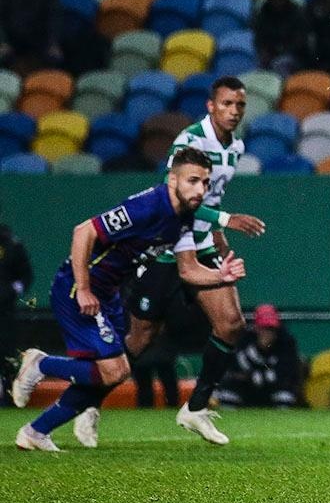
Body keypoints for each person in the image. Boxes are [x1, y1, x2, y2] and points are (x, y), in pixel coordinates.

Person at [11, 148, 247, 452]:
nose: (200, 190)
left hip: (109, 292)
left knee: (108, 373)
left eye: (205, 182)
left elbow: (188, 270)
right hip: (78, 287)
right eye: (193, 181)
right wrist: (83, 288)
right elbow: (83, 232)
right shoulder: (147, 207)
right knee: (116, 370)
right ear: (172, 179)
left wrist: (220, 275)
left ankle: (36, 431)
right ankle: (41, 364)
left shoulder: (183, 217)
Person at [93, 76, 266, 448]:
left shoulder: (235, 147)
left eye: (240, 104)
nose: (234, 111)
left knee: (231, 324)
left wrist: (219, 239)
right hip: (169, 246)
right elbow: (173, 196)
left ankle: (196, 407)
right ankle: (88, 401)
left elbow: (211, 199)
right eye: (227, 104)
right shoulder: (190, 141)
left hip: (200, 243)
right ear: (210, 106)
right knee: (141, 337)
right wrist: (226, 220)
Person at [215, 303, 302, 409]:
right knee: (228, 391)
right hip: (246, 387)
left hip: (273, 386)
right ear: (256, 328)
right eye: (264, 328)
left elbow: (287, 371)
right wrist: (260, 349)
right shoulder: (243, 338)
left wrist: (256, 376)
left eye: (271, 329)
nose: (267, 333)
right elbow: (236, 368)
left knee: (285, 394)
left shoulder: (286, 341)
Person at [0, 0, 61, 75]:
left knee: (55, 58)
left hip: (39, 39)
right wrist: (3, 41)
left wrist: (53, 43)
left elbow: (53, 18)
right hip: (12, 38)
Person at [0, 222, 32, 405]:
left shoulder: (11, 244)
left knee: (6, 351)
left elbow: (26, 274)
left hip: (4, 309)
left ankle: (9, 396)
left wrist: (11, 290)